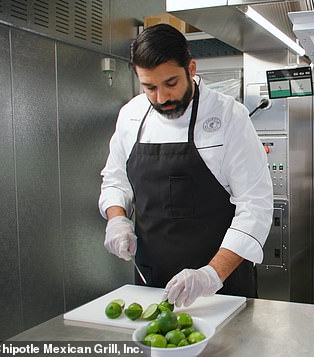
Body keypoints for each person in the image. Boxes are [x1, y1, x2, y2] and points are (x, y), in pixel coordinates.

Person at [98, 24, 273, 307]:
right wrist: (117, 219)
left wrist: (210, 275)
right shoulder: (130, 115)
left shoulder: (230, 117)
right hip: (151, 284)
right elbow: (116, 180)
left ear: (190, 69)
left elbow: (256, 205)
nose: (161, 98)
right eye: (149, 88)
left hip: (221, 286)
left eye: (170, 83)